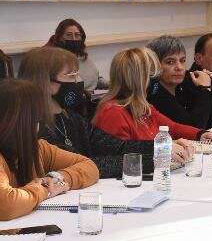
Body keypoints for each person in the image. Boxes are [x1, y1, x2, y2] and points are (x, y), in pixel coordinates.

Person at [19, 48, 192, 179]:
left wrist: (160, 147)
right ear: (46, 83)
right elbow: (87, 166)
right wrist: (154, 158)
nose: (79, 81)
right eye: (71, 76)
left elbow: (118, 146)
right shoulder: (35, 129)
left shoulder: (70, 118)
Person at [0, 79, 99, 221]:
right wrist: (45, 189)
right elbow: (7, 205)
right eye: (36, 117)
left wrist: (56, 179)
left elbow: (89, 166)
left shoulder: (39, 148)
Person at [93, 48, 211, 142]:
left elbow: (173, 128)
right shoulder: (113, 113)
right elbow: (123, 156)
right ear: (139, 80)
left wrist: (201, 134)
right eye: (152, 76)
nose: (156, 81)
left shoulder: (143, 107)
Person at [147, 35, 212, 129]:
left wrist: (211, 83)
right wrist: (205, 90)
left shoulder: (183, 84)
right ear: (153, 65)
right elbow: (194, 129)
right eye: (170, 62)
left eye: (182, 60)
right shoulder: (154, 93)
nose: (179, 67)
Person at [44, 18, 106, 93]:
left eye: (77, 35)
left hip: (94, 96)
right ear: (60, 37)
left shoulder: (81, 55)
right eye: (69, 35)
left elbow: (95, 79)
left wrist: (113, 84)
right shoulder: (54, 60)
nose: (73, 39)